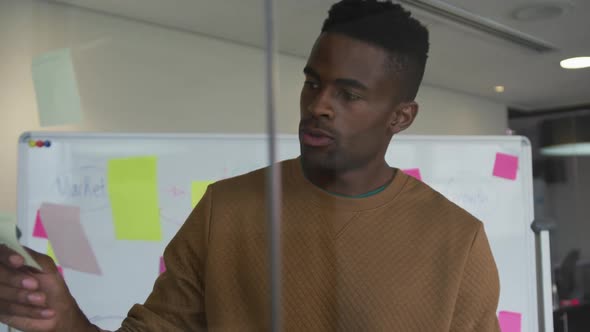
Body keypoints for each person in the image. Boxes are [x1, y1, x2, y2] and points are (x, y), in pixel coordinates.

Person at [0, 0, 500, 330]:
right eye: (313, 82)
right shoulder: (227, 207)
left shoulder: (457, 240)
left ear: (401, 116)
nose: (319, 105)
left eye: (348, 94)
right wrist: (64, 317)